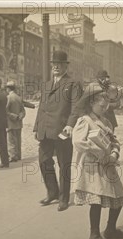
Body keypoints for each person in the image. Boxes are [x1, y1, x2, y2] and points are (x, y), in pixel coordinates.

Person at [71, 85, 123, 239]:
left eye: (106, 106)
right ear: (91, 104)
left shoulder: (105, 121)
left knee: (118, 197)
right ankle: (95, 236)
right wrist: (99, 152)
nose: (104, 108)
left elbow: (114, 141)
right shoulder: (85, 120)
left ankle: (111, 229)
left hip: (108, 164)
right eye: (101, 105)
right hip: (92, 166)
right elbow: (78, 142)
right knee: (96, 200)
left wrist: (114, 154)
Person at [33, 50, 83, 211]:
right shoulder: (46, 84)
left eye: (59, 64)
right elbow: (41, 108)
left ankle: (64, 198)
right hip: (45, 130)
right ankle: (52, 192)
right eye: (54, 64)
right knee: (44, 161)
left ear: (65, 66)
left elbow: (77, 107)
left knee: (64, 164)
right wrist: (36, 127)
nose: (55, 67)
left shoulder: (72, 84)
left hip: (62, 130)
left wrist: (70, 125)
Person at [5, 80, 25, 162]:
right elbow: (23, 111)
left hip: (11, 123)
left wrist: (14, 116)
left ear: (8, 89)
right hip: (19, 123)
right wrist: (20, 116)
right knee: (18, 140)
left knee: (11, 140)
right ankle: (19, 155)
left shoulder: (8, 98)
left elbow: (6, 111)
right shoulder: (19, 97)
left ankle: (13, 156)